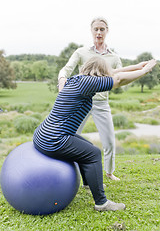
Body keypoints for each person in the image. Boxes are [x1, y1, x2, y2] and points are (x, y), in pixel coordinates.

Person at [33, 56, 156, 211]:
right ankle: (101, 203)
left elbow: (114, 72)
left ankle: (89, 183)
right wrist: (144, 71)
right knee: (93, 154)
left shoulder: (78, 79)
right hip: (54, 140)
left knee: (88, 146)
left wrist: (137, 66)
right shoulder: (89, 83)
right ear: (100, 72)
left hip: (43, 135)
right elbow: (117, 79)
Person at [58, 17, 123, 181]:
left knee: (109, 141)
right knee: (70, 138)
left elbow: (121, 76)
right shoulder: (81, 52)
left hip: (101, 103)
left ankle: (109, 172)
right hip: (81, 102)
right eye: (96, 29)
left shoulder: (114, 57)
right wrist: (61, 82)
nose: (99, 32)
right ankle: (69, 172)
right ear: (91, 31)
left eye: (102, 29)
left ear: (107, 31)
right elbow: (65, 70)